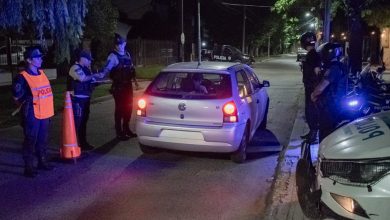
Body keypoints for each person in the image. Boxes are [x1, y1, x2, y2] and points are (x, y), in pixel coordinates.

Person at [12, 47, 54, 178]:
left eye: (40, 56)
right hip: (32, 114)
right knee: (30, 140)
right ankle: (28, 166)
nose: (41, 59)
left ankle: (42, 161)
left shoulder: (42, 73)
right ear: (29, 60)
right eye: (37, 57)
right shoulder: (22, 78)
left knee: (42, 140)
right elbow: (16, 97)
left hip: (45, 114)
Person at [102, 33, 139, 141]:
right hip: (118, 86)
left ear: (125, 44)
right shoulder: (112, 56)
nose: (119, 46)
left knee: (129, 108)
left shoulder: (127, 54)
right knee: (119, 109)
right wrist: (99, 76)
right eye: (117, 44)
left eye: (121, 44)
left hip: (128, 85)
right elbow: (107, 70)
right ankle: (119, 132)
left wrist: (135, 81)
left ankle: (126, 129)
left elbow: (131, 69)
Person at [68, 49, 104, 151]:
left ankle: (83, 143)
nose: (90, 61)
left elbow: (90, 81)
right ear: (82, 58)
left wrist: (98, 81)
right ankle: (73, 145)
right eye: (88, 59)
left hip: (86, 99)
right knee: (77, 123)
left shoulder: (86, 69)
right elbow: (83, 79)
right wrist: (94, 75)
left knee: (83, 122)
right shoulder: (75, 68)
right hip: (77, 101)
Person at [311, 42, 345, 142]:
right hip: (336, 104)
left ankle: (324, 154)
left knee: (325, 133)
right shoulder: (340, 66)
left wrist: (313, 94)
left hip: (330, 105)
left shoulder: (333, 68)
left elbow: (322, 86)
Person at [299, 32, 321, 142]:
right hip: (310, 86)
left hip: (312, 88)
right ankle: (311, 132)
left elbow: (317, 72)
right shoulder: (312, 54)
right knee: (309, 110)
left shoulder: (313, 55)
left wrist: (315, 90)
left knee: (311, 111)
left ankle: (313, 135)